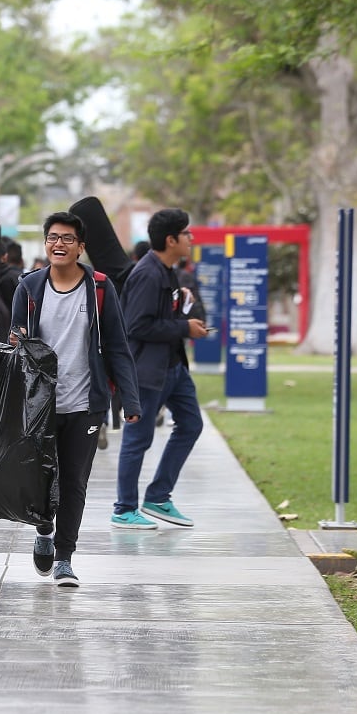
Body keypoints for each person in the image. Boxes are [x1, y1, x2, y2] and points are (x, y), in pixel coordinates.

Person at [11, 211, 140, 587]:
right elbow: (16, 340)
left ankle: (65, 557)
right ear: (45, 243)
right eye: (52, 237)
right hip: (39, 404)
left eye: (68, 238)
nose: (59, 244)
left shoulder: (100, 288)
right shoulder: (29, 288)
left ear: (81, 247)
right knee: (38, 480)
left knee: (73, 482)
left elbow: (117, 346)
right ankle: (44, 529)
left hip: (85, 403)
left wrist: (129, 401)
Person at [113, 208, 209, 531]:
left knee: (191, 424)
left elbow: (159, 314)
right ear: (171, 240)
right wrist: (184, 327)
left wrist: (179, 305)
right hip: (147, 370)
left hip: (173, 368)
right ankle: (124, 508)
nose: (191, 239)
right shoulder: (148, 274)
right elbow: (137, 326)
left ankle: (157, 496)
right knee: (138, 439)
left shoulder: (167, 271)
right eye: (186, 234)